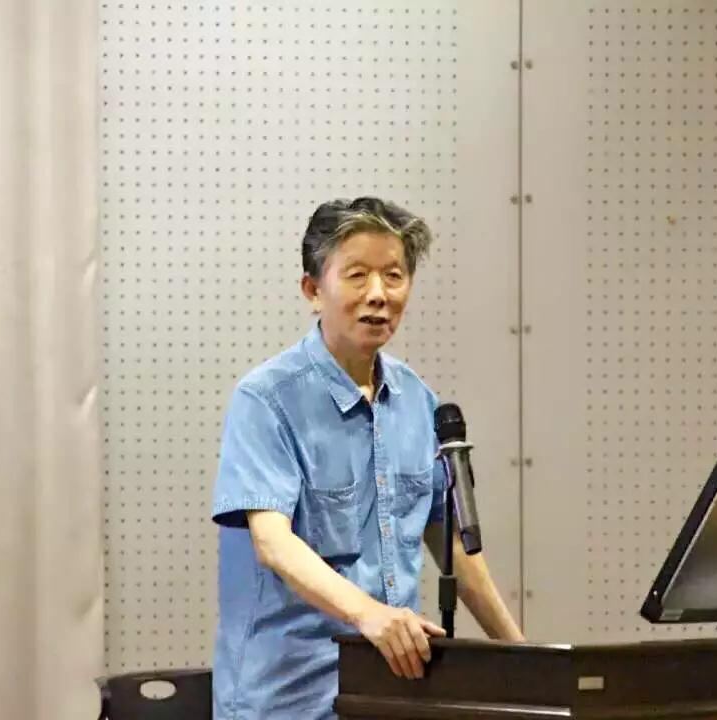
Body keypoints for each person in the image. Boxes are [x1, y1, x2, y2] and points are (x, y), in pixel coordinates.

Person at [210, 197, 524, 719]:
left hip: (391, 696)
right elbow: (272, 543)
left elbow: (452, 548)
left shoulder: (418, 401)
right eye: (357, 275)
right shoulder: (266, 399)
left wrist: (528, 663)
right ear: (313, 290)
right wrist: (370, 615)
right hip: (289, 701)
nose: (378, 294)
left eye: (394, 276)